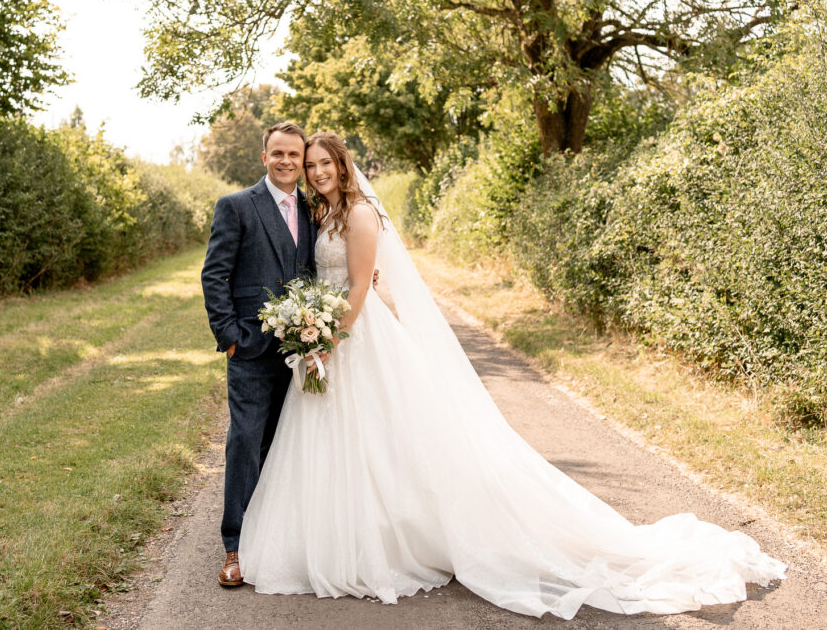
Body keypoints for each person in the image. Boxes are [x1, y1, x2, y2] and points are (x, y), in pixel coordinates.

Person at [237, 132, 787, 619]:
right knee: (345, 441)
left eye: (324, 163)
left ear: (343, 164)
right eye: (310, 166)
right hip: (332, 337)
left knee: (380, 435)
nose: (316, 172)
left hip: (355, 338)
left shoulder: (357, 214)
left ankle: (392, 541)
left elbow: (359, 288)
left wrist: (329, 341)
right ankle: (345, 536)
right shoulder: (321, 213)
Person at [200, 122, 318, 587]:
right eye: (279, 153)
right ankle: (235, 546)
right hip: (250, 347)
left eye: (296, 154)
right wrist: (230, 336)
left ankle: (285, 540)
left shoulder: (314, 208)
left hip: (305, 349)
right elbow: (215, 275)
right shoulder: (236, 206)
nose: (288, 161)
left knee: (292, 444)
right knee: (246, 442)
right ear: (264, 157)